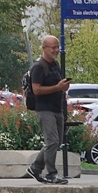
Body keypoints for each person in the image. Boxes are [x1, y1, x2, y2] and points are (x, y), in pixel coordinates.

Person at [25, 35, 71, 184]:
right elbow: (36, 90)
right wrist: (57, 87)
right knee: (52, 141)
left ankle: (35, 168)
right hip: (44, 109)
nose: (56, 50)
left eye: (57, 47)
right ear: (44, 48)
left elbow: (58, 84)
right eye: (53, 47)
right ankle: (52, 174)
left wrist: (63, 87)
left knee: (56, 142)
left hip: (57, 108)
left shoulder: (55, 65)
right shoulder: (38, 67)